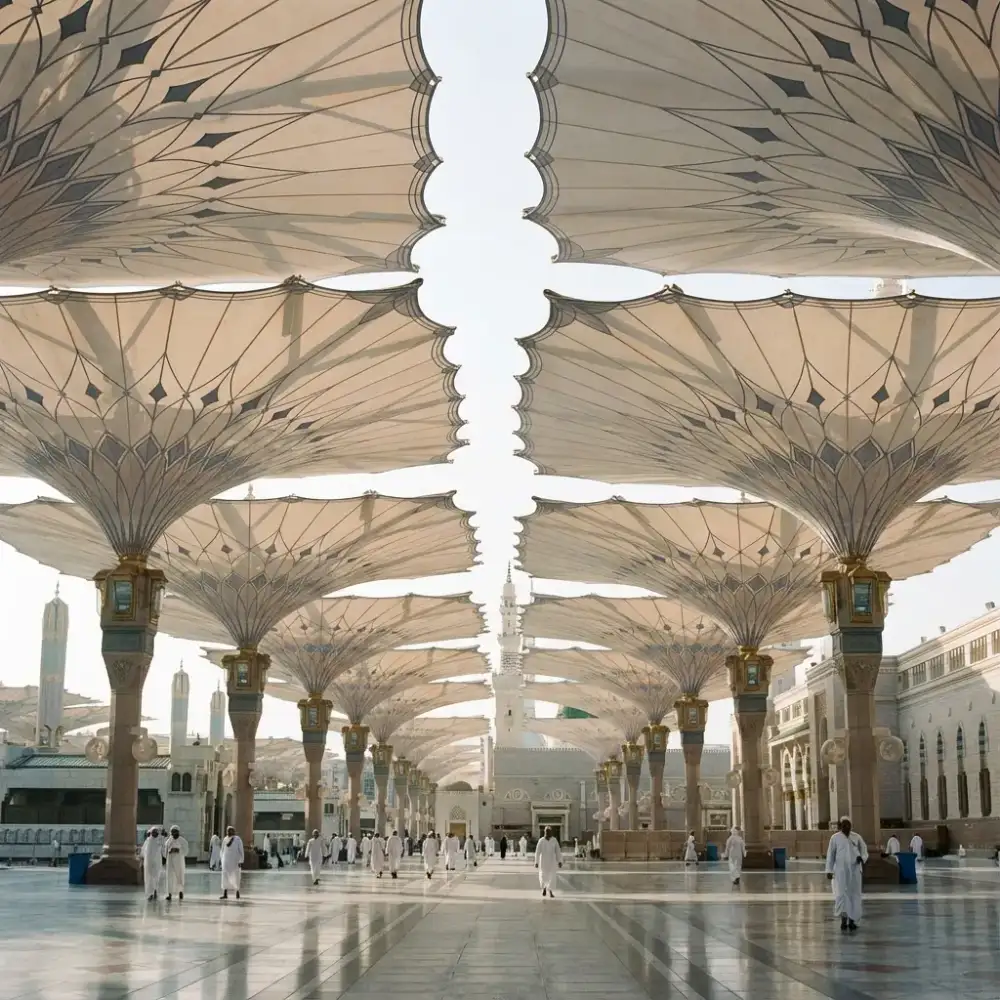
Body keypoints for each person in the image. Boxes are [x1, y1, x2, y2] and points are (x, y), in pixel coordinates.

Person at [825, 816, 868, 932]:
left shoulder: (857, 837)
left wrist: (862, 859)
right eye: (844, 825)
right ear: (840, 826)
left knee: (854, 895)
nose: (846, 827)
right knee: (841, 895)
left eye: (848, 825)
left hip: (854, 871)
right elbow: (831, 855)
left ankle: (852, 920)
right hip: (840, 872)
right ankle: (843, 920)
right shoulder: (835, 838)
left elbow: (864, 851)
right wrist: (829, 870)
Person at [534, 826, 563, 898]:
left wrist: (559, 861)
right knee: (543, 876)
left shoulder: (554, 840)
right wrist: (536, 862)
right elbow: (537, 852)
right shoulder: (541, 841)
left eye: (549, 832)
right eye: (546, 832)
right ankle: (544, 888)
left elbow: (558, 851)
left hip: (552, 862)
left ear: (551, 832)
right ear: (544, 832)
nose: (547, 833)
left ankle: (550, 891)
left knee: (552, 877)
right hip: (543, 862)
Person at [164, 825, 188, 901]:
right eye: (172, 832)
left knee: (179, 876)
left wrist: (178, 851)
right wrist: (170, 851)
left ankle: (180, 891)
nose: (174, 833)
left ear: (178, 832)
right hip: (170, 861)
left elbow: (186, 851)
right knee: (170, 876)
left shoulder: (183, 841)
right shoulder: (168, 841)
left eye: (175, 831)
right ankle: (169, 894)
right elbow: (165, 852)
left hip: (179, 861)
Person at [220, 825, 244, 901]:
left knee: (236, 877)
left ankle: (237, 892)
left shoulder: (237, 839)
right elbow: (222, 850)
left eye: (230, 830)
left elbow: (241, 851)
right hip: (226, 862)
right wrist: (222, 860)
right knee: (225, 877)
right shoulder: (225, 839)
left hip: (234, 862)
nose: (229, 832)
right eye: (228, 831)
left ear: (233, 831)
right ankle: (225, 893)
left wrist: (241, 860)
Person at [141, 827, 164, 901]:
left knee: (156, 877)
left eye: (156, 832)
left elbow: (164, 846)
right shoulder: (147, 841)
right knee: (149, 878)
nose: (155, 833)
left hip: (157, 863)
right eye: (154, 832)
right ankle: (150, 893)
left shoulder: (159, 841)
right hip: (148, 863)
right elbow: (143, 852)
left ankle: (155, 891)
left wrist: (164, 836)